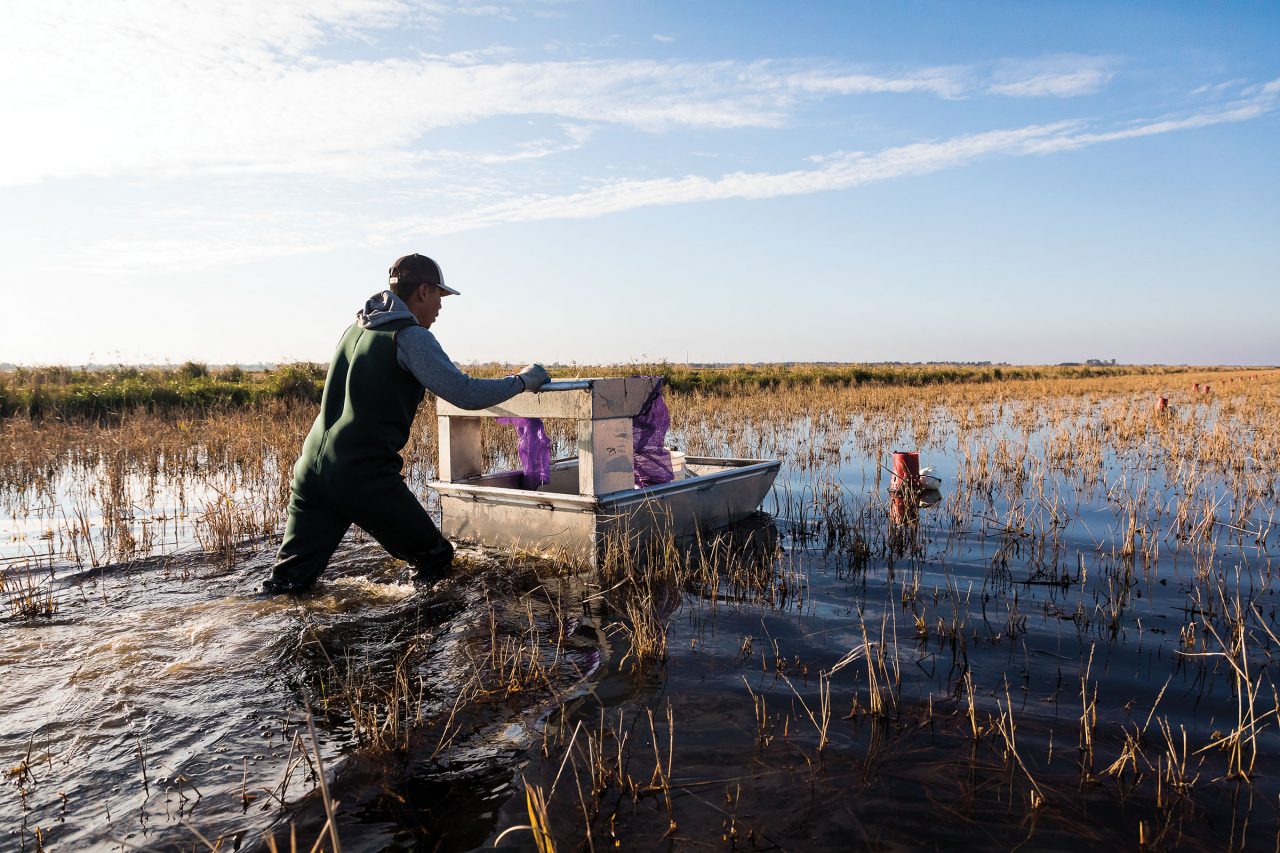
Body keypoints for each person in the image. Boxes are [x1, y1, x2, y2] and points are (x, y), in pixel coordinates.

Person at [261, 253, 550, 594]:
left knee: (289, 582)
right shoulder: (409, 336)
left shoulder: (355, 330)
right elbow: (464, 392)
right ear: (423, 291)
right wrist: (522, 380)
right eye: (439, 298)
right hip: (362, 475)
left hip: (311, 469)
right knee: (436, 559)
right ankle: (423, 638)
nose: (440, 308)